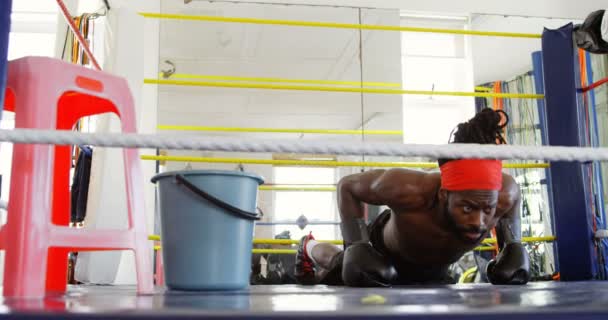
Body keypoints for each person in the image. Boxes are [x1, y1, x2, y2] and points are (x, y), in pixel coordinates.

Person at [294, 108, 530, 287]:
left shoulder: (506, 194)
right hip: (384, 251)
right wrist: (358, 245)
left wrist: (513, 245)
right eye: (467, 208)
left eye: (487, 210)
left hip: (435, 268)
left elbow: (511, 204)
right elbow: (347, 186)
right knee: (336, 268)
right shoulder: (410, 189)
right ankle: (308, 246)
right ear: (443, 194)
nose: (479, 222)